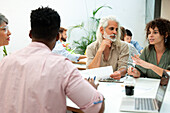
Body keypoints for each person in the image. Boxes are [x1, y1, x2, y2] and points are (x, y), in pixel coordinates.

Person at [0, 7, 104, 113]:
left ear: (30, 34)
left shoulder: (5, 62)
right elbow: (97, 107)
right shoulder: (62, 66)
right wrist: (92, 88)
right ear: (58, 37)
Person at [86, 15, 129, 80]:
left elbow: (123, 67)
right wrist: (100, 50)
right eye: (111, 29)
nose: (115, 32)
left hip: (116, 83)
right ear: (102, 30)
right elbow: (91, 71)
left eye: (116, 29)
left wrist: (119, 73)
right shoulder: (91, 48)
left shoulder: (123, 46)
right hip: (97, 84)